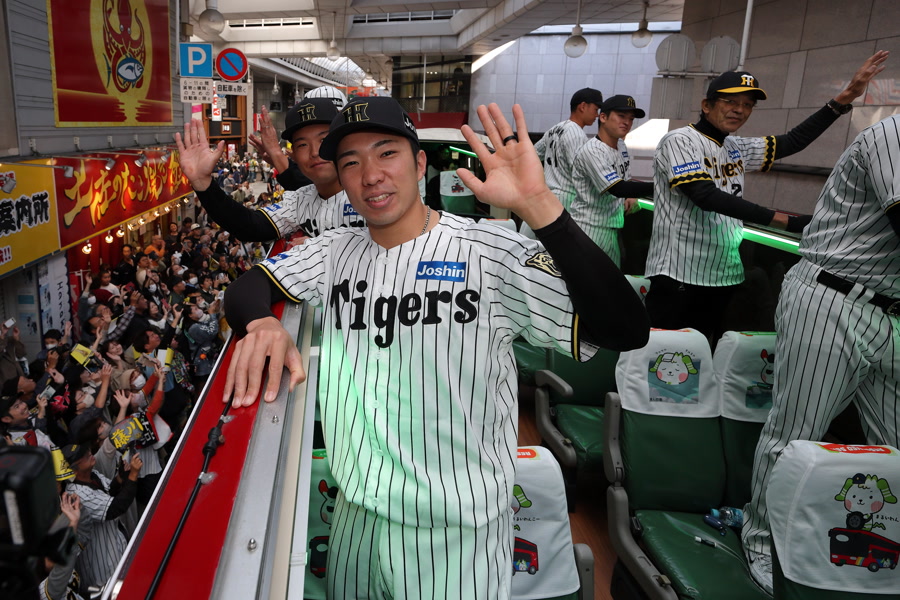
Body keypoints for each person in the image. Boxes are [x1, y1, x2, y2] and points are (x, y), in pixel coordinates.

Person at [219, 97, 649, 599]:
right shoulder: (335, 250)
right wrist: (261, 324)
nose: (371, 175)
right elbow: (249, 286)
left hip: (455, 530)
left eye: (387, 153)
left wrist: (541, 207)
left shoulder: (490, 250)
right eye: (351, 162)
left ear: (420, 163)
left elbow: (626, 329)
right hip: (355, 518)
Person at [740, 112, 900, 594]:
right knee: (796, 431)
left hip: (891, 311)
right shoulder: (893, 132)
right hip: (833, 298)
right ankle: (762, 542)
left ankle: (883, 547)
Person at [643, 51, 889, 342]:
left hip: (723, 273)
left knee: (705, 353)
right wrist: (784, 221)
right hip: (678, 273)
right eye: (730, 102)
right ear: (706, 105)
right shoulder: (679, 140)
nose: (739, 110)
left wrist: (843, 99)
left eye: (747, 105)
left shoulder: (735, 147)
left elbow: (792, 141)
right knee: (664, 355)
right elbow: (704, 195)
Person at [176, 98, 365, 244]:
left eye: (323, 140)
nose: (315, 152)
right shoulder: (300, 200)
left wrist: (321, 246)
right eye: (302, 144)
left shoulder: (370, 191)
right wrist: (203, 184)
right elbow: (251, 226)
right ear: (293, 154)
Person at [571, 94, 653, 267]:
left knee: (609, 281)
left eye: (631, 119)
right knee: (588, 280)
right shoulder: (592, 150)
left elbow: (625, 179)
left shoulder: (621, 145)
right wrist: (661, 186)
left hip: (611, 227)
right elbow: (617, 188)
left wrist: (630, 196)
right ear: (603, 117)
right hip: (588, 228)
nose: (627, 122)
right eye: (621, 116)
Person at [63, 442, 142, 589]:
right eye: (84, 456)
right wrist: (133, 475)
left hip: (114, 545)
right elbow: (116, 508)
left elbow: (109, 491)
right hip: (101, 562)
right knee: (113, 590)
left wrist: (120, 478)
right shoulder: (77, 494)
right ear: (74, 470)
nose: (89, 454)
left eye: (87, 451)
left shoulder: (92, 474)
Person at [533, 87, 604, 210]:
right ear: (583, 106)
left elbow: (532, 155)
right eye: (595, 109)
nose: (597, 115)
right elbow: (580, 172)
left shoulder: (554, 129)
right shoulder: (577, 134)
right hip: (565, 199)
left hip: (545, 196)